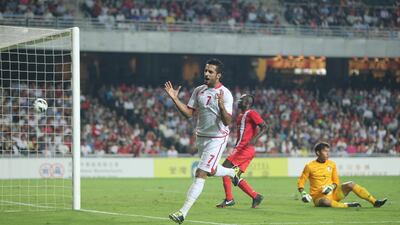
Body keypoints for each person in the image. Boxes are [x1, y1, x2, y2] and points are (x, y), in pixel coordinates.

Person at [164, 58, 240, 224]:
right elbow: (189, 114)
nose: (206, 73)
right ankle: (231, 172)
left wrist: (220, 105)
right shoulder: (199, 90)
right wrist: (175, 99)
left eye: (210, 71)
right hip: (202, 137)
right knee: (211, 170)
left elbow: (227, 121)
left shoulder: (225, 94)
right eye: (205, 70)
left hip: (217, 138)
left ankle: (182, 213)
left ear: (218, 75)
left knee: (201, 172)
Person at [298, 142, 387, 208]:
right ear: (318, 153)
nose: (327, 153)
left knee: (351, 184)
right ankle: (347, 205)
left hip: (333, 194)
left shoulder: (332, 164)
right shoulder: (309, 166)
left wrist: (331, 187)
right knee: (325, 202)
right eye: (325, 151)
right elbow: (302, 180)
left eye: (328, 151)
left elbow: (336, 180)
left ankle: (375, 202)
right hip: (319, 198)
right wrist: (303, 193)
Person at [216, 94, 268, 209]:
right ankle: (255, 196)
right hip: (245, 149)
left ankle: (229, 199)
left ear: (248, 103)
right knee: (235, 177)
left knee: (224, 169)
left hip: (244, 149)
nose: (239, 101)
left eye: (242, 100)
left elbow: (264, 126)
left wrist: (255, 139)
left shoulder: (251, 113)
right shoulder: (241, 116)